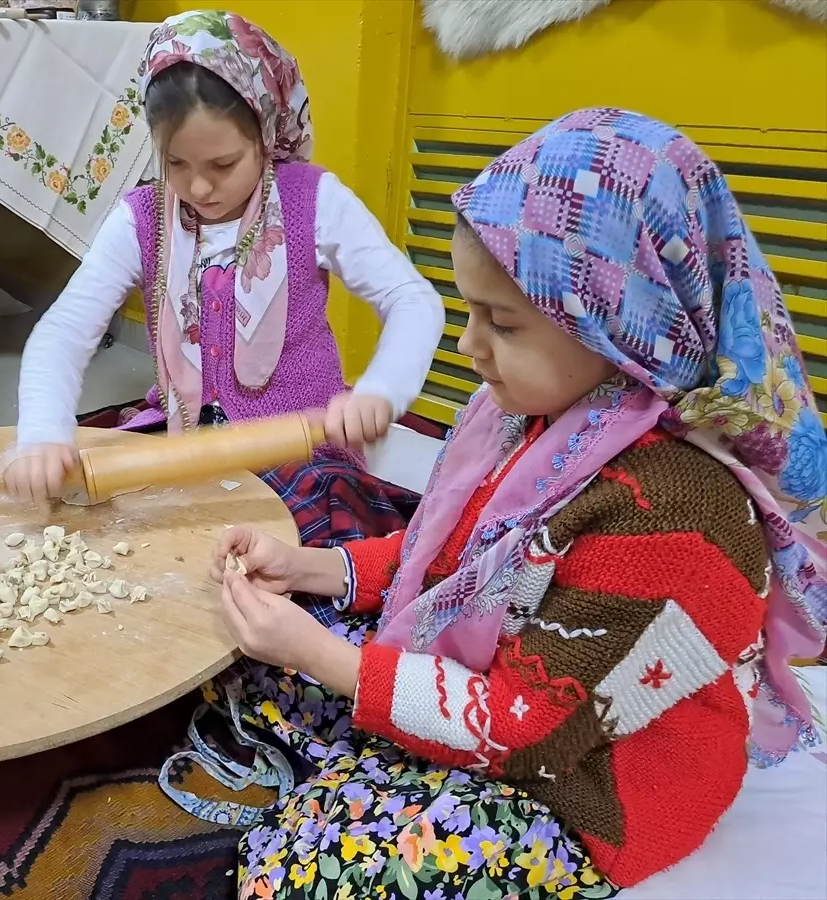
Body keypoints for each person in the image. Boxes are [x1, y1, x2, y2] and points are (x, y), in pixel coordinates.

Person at [183, 108, 827, 899]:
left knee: (313, 869)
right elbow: (450, 554)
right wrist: (311, 568)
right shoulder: (539, 421)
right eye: (468, 311)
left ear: (619, 326)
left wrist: (321, 656)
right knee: (241, 660)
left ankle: (353, 787)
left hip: (587, 784)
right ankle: (358, 760)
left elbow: (524, 728)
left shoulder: (673, 513)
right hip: (514, 694)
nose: (467, 346)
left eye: (503, 322)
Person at [5, 10, 443, 507]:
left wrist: (381, 390)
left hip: (298, 450)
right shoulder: (144, 217)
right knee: (96, 512)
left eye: (223, 164)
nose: (197, 187)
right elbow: (64, 329)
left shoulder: (313, 200)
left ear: (265, 132)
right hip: (188, 443)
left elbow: (412, 301)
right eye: (176, 163)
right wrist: (42, 432)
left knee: (305, 536)